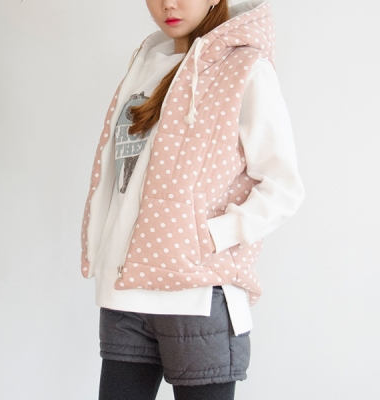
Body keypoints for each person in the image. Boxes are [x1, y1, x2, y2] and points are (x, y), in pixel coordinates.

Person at [80, 0, 305, 399]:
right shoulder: (146, 63)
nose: (168, 3)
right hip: (124, 295)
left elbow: (283, 186)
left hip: (198, 296)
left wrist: (209, 236)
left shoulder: (246, 69)